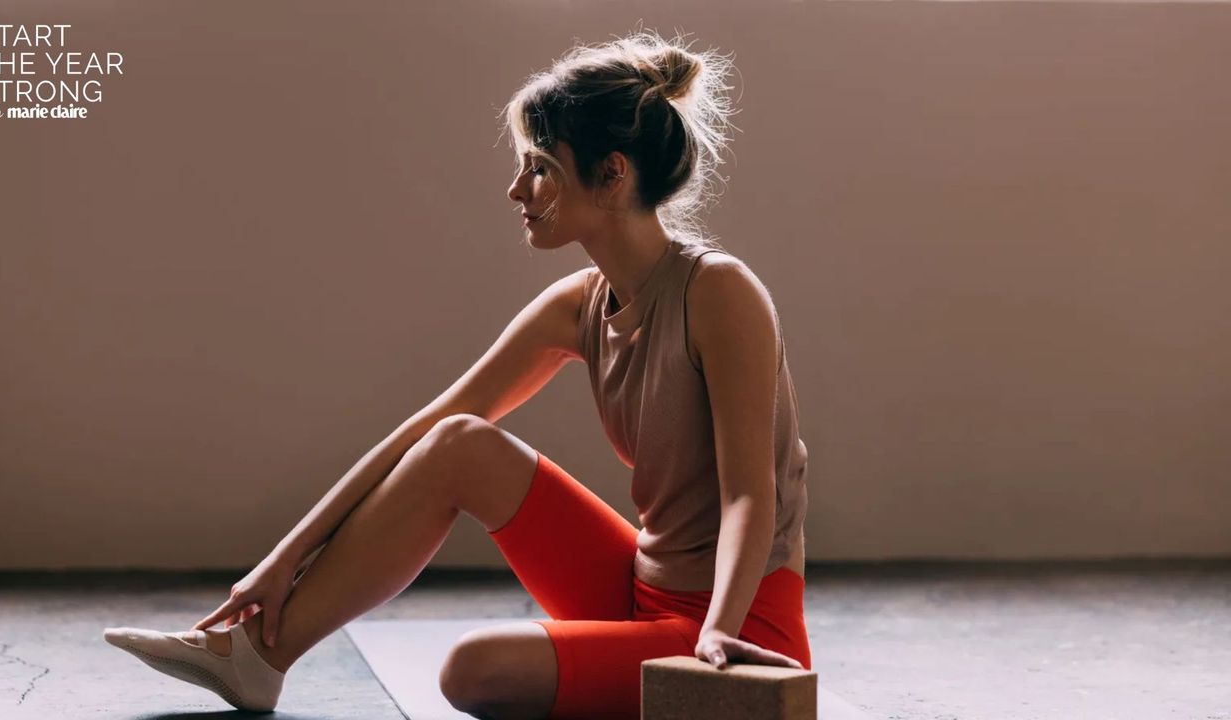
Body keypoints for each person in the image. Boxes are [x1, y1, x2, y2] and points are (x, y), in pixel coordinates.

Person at [104, 28, 811, 719]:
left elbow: (751, 495)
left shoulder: (720, 292)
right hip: (639, 591)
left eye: (539, 166)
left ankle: (697, 674)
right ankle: (259, 655)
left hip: (737, 626)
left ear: (613, 173)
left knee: (472, 671)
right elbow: (426, 430)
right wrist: (283, 559)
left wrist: (717, 634)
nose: (516, 188)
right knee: (457, 443)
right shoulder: (579, 306)